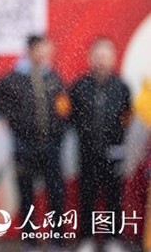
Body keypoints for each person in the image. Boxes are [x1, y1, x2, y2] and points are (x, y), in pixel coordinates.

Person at [0, 34, 69, 248]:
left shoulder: (53, 78)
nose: (44, 54)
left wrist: (58, 134)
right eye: (40, 50)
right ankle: (30, 238)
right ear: (30, 50)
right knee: (26, 194)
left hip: (51, 146)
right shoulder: (13, 79)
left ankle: (57, 237)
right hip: (24, 146)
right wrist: (16, 122)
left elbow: (64, 109)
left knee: (56, 193)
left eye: (47, 50)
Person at [69, 37, 131, 251]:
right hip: (87, 153)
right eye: (98, 56)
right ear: (90, 58)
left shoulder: (122, 87)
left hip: (114, 153)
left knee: (114, 198)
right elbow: (71, 117)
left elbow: (127, 118)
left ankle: (113, 240)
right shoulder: (79, 87)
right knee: (87, 197)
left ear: (113, 58)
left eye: (106, 56)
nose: (102, 60)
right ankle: (86, 239)